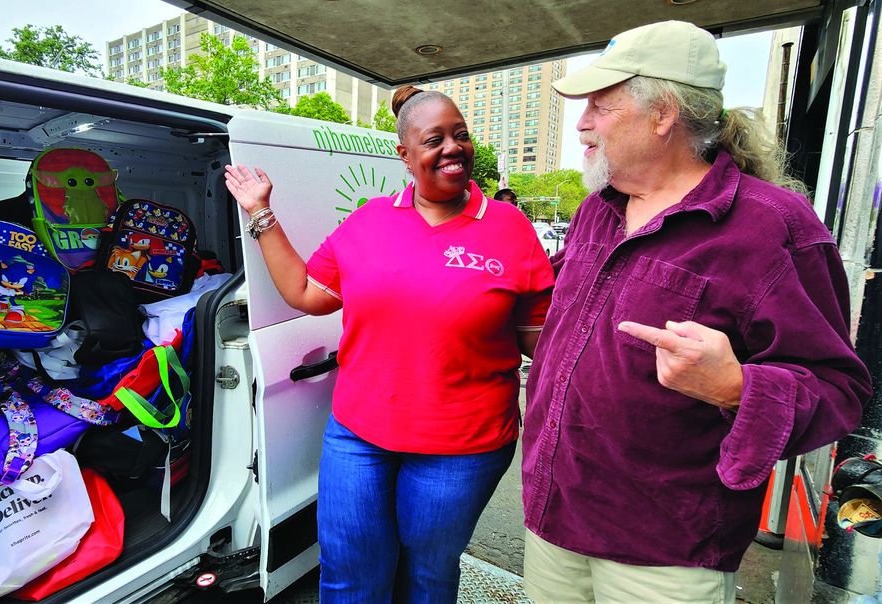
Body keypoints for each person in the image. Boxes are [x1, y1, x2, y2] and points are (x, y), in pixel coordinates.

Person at [521, 20, 873, 603]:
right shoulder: (596, 211)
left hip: (664, 550)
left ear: (662, 114)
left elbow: (839, 389)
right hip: (552, 515)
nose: (581, 124)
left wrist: (737, 386)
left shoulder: (774, 229)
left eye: (599, 107)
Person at [225, 85, 554, 602]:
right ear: (404, 154)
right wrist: (260, 213)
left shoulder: (510, 228)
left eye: (461, 135)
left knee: (427, 576)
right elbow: (307, 294)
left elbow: (542, 339)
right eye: (434, 138)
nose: (453, 147)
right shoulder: (370, 221)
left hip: (462, 447)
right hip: (359, 436)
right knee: (349, 572)